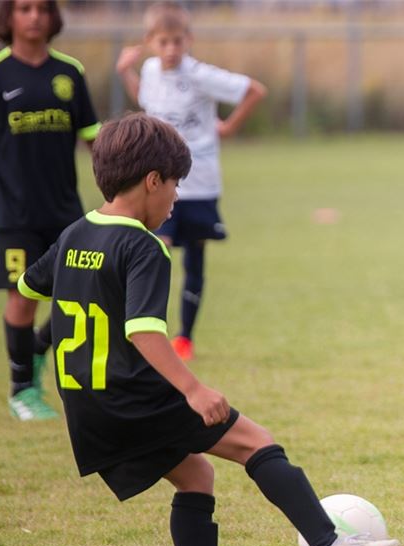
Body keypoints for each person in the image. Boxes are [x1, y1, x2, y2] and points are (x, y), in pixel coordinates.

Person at [16, 113, 401, 546]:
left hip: (87, 406)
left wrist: (25, 367)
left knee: (196, 474)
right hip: (135, 395)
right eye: (175, 185)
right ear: (153, 180)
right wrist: (193, 388)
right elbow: (144, 330)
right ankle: (330, 545)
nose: (176, 198)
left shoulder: (74, 235)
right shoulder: (142, 245)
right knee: (255, 442)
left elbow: (23, 300)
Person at [0, 0, 100, 421]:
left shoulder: (70, 72)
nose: (34, 16)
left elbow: (95, 141)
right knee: (22, 300)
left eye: (42, 8)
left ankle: (37, 349)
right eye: (24, 8)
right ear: (9, 19)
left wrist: (125, 181)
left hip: (66, 212)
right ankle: (23, 390)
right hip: (14, 214)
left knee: (81, 296)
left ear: (54, 17)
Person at [115, 1, 267, 361]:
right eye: (163, 41)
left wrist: (228, 127)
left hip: (199, 184)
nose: (171, 49)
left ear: (189, 40)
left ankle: (185, 338)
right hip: (161, 185)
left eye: (178, 41)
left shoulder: (200, 75)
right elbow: (147, 100)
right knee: (155, 252)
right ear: (150, 41)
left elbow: (255, 90)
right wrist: (125, 73)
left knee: (194, 260)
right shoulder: (150, 70)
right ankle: (146, 334)